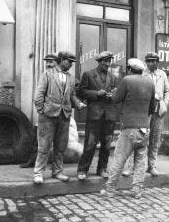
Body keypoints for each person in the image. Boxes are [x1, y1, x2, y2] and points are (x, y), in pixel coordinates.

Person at [100, 58, 155, 198]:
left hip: (129, 127)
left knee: (119, 158)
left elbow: (115, 99)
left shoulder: (127, 80)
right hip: (144, 127)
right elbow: (152, 107)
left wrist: (112, 93)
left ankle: (110, 189)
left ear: (130, 69)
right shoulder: (150, 82)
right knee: (140, 161)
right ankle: (137, 191)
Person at [33, 51, 85, 184]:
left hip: (64, 116)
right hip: (48, 116)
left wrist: (78, 104)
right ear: (61, 60)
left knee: (61, 146)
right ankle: (38, 173)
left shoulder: (71, 78)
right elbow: (39, 94)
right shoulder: (47, 74)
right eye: (69, 61)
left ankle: (57, 171)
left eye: (72, 62)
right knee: (44, 146)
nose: (71, 64)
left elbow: (72, 95)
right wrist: (42, 111)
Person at [122, 52, 169, 176]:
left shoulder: (162, 74)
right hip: (144, 111)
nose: (151, 63)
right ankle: (131, 167)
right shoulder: (142, 74)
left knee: (155, 138)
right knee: (138, 138)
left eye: (154, 61)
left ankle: (152, 165)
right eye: (148, 61)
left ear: (157, 62)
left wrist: (164, 104)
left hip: (158, 110)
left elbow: (167, 91)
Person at [77, 51, 118, 180]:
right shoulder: (88, 75)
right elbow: (81, 92)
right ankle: (82, 170)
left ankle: (102, 169)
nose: (107, 64)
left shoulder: (114, 77)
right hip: (94, 115)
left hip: (109, 116)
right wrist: (96, 93)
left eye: (109, 61)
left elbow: (118, 95)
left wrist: (114, 95)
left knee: (106, 145)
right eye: (105, 61)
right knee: (90, 144)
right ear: (99, 62)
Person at [20, 53, 57, 169]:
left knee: (57, 141)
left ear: (58, 63)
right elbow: (40, 93)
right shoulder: (44, 75)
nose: (49, 64)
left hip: (59, 113)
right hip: (46, 113)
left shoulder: (63, 76)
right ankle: (33, 161)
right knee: (38, 138)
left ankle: (54, 166)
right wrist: (41, 109)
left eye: (52, 62)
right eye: (47, 62)